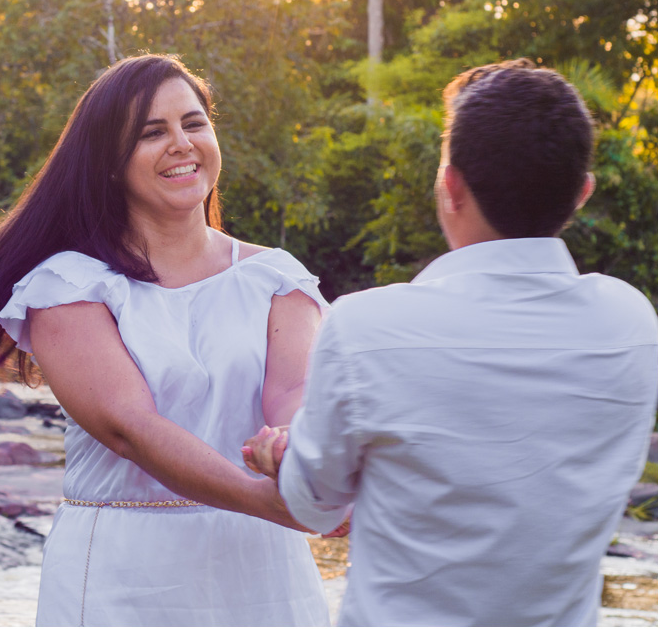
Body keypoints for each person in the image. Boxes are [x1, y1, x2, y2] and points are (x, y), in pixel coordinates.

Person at [0, 54, 339, 626]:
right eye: (152, 133)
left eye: (193, 124)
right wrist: (267, 499)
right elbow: (131, 427)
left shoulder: (276, 278)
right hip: (128, 575)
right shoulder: (69, 284)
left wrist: (304, 461)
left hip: (263, 568)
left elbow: (293, 395)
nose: (181, 143)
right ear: (109, 166)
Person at [244, 60, 658, 626]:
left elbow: (316, 502)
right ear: (582, 193)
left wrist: (284, 457)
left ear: (451, 184)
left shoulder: (367, 328)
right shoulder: (632, 323)